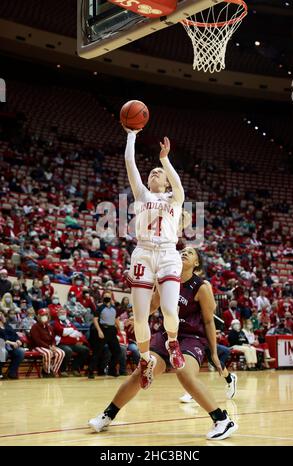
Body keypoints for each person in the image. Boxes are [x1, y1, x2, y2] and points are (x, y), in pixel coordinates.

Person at [88, 247, 238, 440]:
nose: (184, 253)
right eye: (182, 251)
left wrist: (215, 353)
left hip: (191, 338)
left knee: (183, 372)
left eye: (190, 253)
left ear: (197, 263)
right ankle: (107, 415)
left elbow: (209, 321)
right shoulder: (167, 279)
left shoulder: (202, 287)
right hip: (166, 335)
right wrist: (138, 318)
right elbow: (153, 305)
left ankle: (222, 420)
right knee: (141, 372)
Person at [122, 127, 185, 388]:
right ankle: (145, 359)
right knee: (139, 318)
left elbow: (178, 182)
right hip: (143, 253)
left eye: (158, 173)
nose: (154, 173)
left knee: (170, 309)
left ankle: (172, 342)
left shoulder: (175, 198)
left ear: (167, 181)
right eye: (151, 173)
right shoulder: (143, 194)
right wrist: (131, 134)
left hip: (169, 254)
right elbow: (129, 162)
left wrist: (164, 160)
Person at [88, 295, 121, 378]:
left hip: (112, 330)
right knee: (97, 351)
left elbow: (116, 318)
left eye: (108, 296)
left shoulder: (114, 308)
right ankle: (91, 371)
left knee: (117, 351)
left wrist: (119, 328)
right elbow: (95, 319)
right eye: (105, 296)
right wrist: (99, 331)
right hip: (103, 329)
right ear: (103, 298)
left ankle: (111, 370)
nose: (107, 297)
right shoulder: (100, 307)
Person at [52, 308, 90, 377]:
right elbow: (62, 332)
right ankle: (63, 370)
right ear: (57, 314)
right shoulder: (55, 322)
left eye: (64, 313)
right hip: (61, 344)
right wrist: (70, 330)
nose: (63, 314)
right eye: (61, 313)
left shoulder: (68, 322)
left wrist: (68, 331)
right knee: (68, 351)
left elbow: (76, 332)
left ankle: (75, 368)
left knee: (85, 350)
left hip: (72, 343)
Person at [30, 308, 65, 377]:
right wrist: (49, 347)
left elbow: (53, 338)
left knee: (61, 353)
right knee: (48, 353)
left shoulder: (49, 326)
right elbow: (37, 340)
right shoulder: (35, 327)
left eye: (46, 315)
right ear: (39, 316)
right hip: (37, 346)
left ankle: (53, 371)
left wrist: (53, 345)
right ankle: (46, 372)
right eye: (43, 315)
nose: (45, 317)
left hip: (49, 346)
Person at [0, 310, 24, 379]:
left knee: (21, 352)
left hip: (10, 346)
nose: (3, 317)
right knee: (3, 352)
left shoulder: (7, 326)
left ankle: (11, 372)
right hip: (1, 345)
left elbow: (15, 334)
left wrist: (17, 340)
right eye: (1, 315)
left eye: (3, 315)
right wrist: (11, 342)